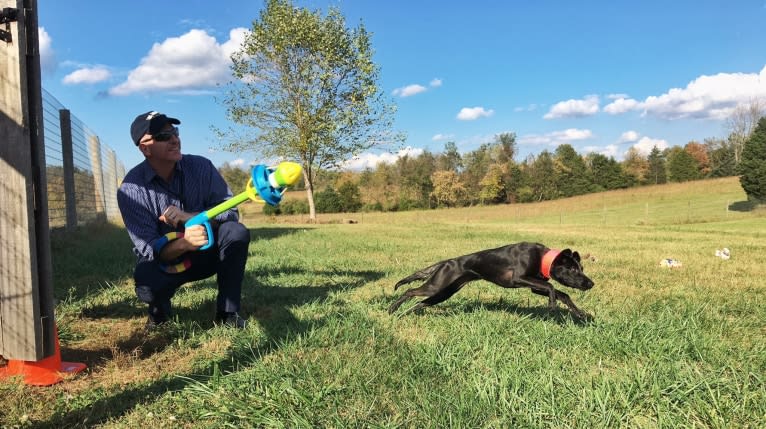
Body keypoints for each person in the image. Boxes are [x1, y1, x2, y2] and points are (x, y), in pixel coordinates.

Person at [117, 111, 250, 331]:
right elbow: (149, 250)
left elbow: (230, 213)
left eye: (174, 132)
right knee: (146, 283)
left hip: (207, 254)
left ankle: (228, 313)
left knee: (235, 232)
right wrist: (185, 243)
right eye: (162, 136)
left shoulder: (201, 167)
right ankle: (159, 311)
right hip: (167, 262)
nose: (174, 139)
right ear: (145, 148)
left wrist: (191, 217)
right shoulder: (131, 190)